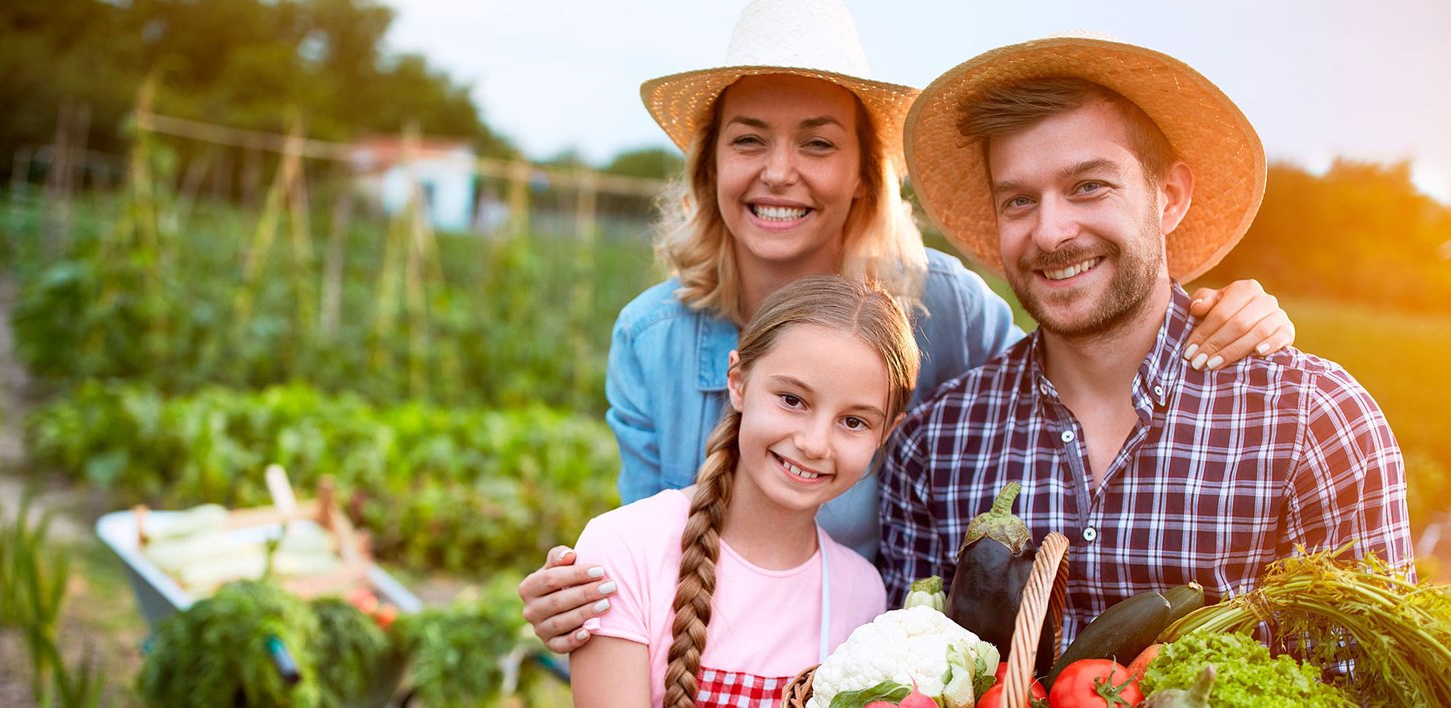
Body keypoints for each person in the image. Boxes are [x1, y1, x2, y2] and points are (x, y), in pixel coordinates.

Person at [521, 0, 1294, 653]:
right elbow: (645, 552)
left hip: (870, 657)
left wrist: (1209, 308)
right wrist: (583, 594)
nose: (778, 171)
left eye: (818, 142)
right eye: (748, 139)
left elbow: (1065, 380)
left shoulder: (943, 308)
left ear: (863, 172)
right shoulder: (652, 338)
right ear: (709, 166)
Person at [880, 36, 1415, 635]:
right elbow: (917, 683)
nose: (1052, 232)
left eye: (1088, 186)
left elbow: (1368, 683)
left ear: (1170, 197)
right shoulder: (936, 445)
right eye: (1020, 201)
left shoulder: (1314, 423)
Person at [570, 275, 917, 707]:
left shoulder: (860, 592)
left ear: (885, 433)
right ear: (738, 382)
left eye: (854, 422)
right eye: (792, 399)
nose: (813, 443)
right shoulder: (624, 549)